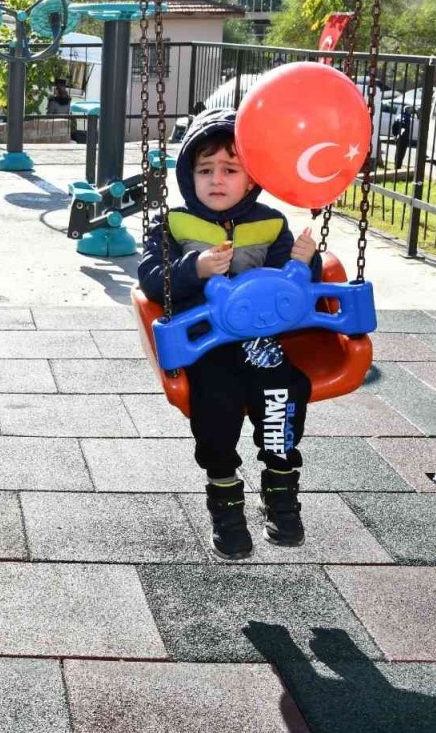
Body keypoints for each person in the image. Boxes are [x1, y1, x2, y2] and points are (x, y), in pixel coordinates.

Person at [137, 107, 322, 561]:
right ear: (188, 177)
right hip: (206, 343)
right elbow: (149, 276)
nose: (216, 179)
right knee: (214, 403)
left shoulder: (271, 223)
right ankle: (224, 496)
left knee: (285, 390)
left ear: (252, 177)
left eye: (229, 169)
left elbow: (293, 290)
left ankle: (280, 484)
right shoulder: (173, 224)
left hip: (260, 342)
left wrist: (303, 263)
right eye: (204, 170)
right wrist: (193, 268)